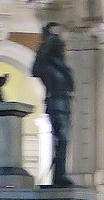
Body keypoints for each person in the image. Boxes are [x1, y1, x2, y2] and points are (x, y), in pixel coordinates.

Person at [32, 22, 74, 186]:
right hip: (55, 104)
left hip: (65, 105)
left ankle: (60, 174)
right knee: (61, 139)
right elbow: (35, 70)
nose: (63, 50)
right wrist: (44, 44)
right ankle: (59, 174)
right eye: (60, 47)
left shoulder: (64, 68)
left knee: (63, 140)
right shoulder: (49, 67)